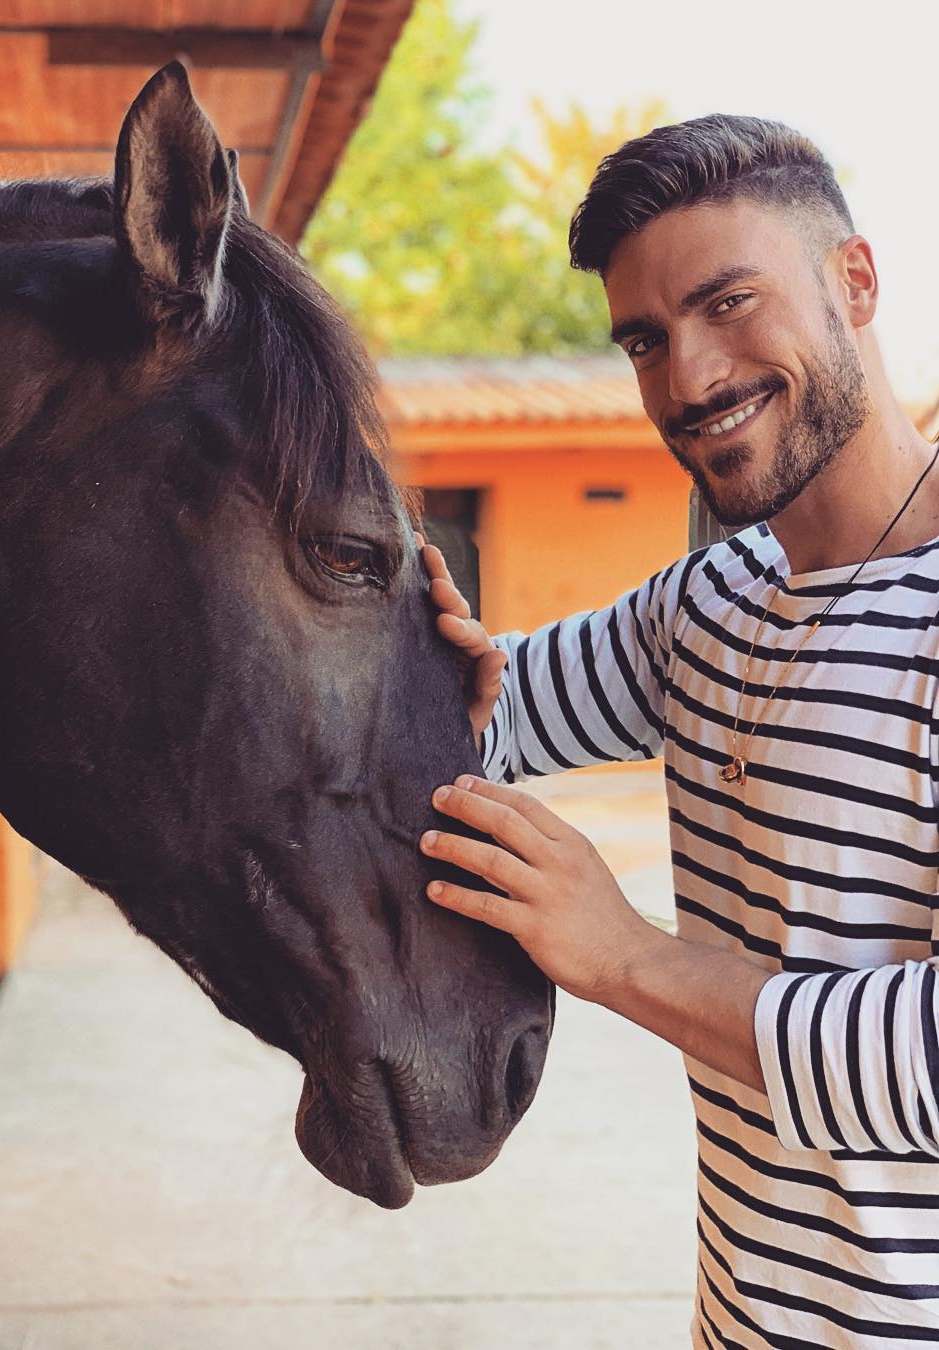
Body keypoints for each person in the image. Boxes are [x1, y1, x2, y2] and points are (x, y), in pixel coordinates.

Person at [416, 114, 939, 1345]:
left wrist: (623, 956)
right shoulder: (707, 602)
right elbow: (465, 717)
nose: (690, 380)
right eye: (646, 340)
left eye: (730, 304)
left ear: (854, 282)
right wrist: (395, 640)